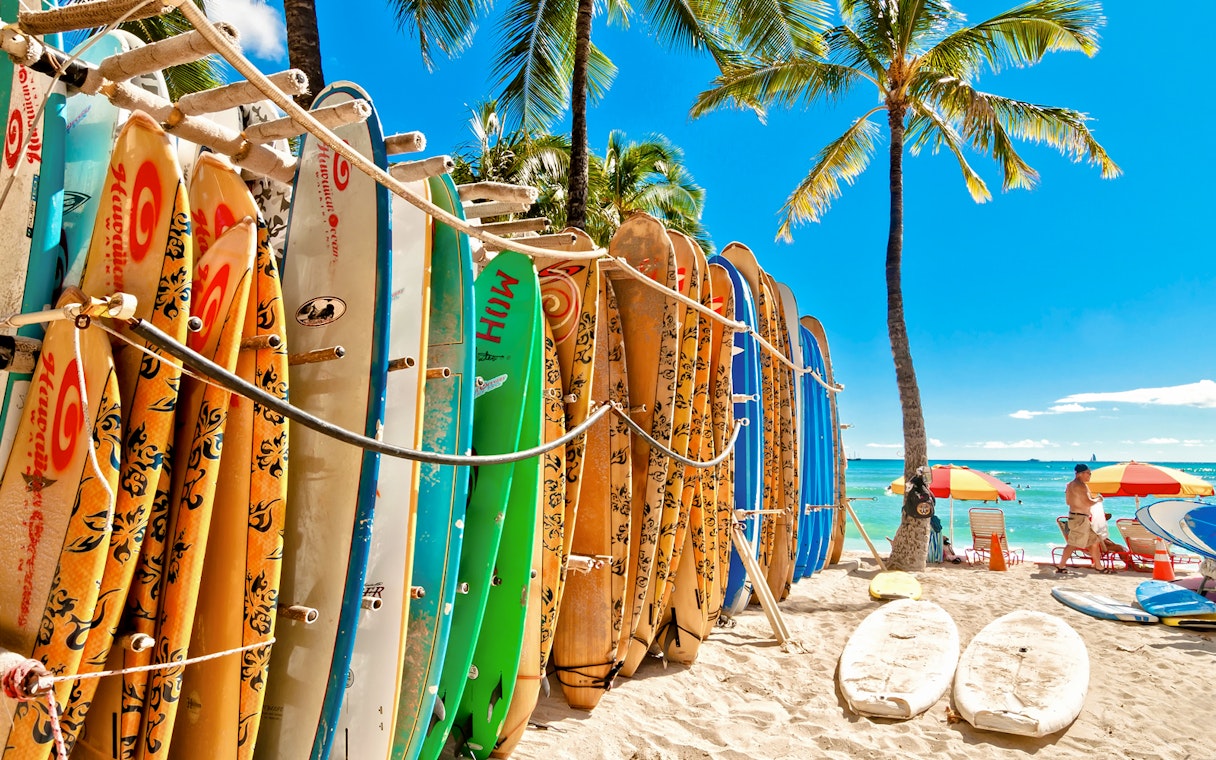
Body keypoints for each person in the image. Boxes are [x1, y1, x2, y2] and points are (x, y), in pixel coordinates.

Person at [1056, 463, 1114, 574]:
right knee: (1073, 543)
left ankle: (1099, 566)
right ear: (1081, 474)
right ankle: (1061, 565)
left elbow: (1068, 502)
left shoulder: (1070, 485)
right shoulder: (1081, 485)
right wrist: (1098, 499)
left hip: (1077, 517)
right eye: (1088, 473)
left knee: (1094, 541)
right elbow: (1088, 502)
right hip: (1080, 519)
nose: (1090, 476)